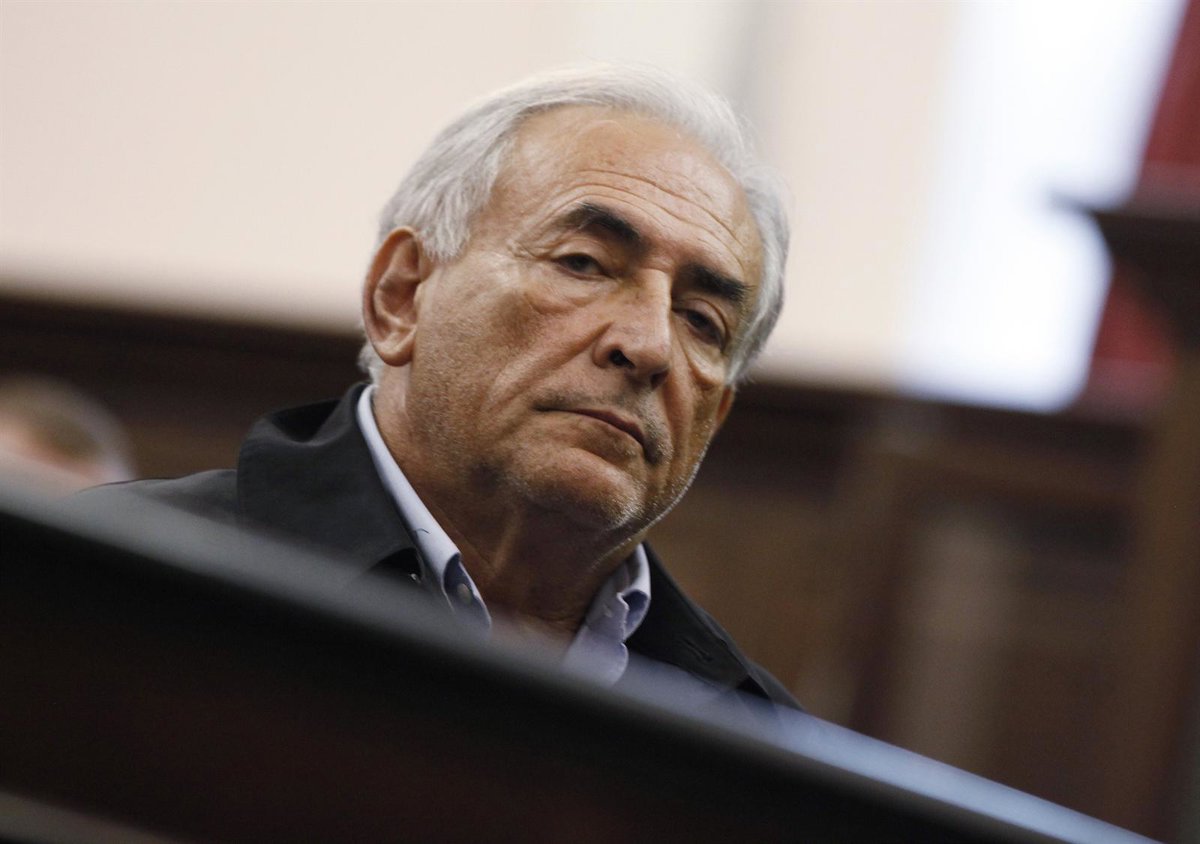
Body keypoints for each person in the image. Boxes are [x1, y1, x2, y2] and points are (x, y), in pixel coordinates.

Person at [80, 65, 798, 709]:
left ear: (717, 413)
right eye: (582, 263)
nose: (647, 346)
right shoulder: (108, 581)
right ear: (403, 295)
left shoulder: (757, 742)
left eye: (701, 321)